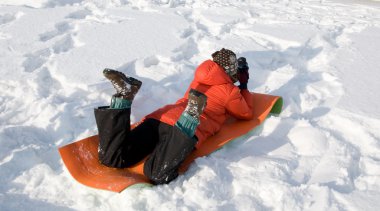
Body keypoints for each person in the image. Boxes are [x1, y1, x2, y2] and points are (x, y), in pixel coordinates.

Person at [94, 48, 253, 185]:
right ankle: (190, 117)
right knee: (157, 173)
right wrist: (243, 86)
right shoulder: (230, 92)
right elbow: (246, 114)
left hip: (159, 118)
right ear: (231, 70)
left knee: (113, 158)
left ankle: (124, 96)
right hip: (179, 132)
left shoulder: (199, 79)